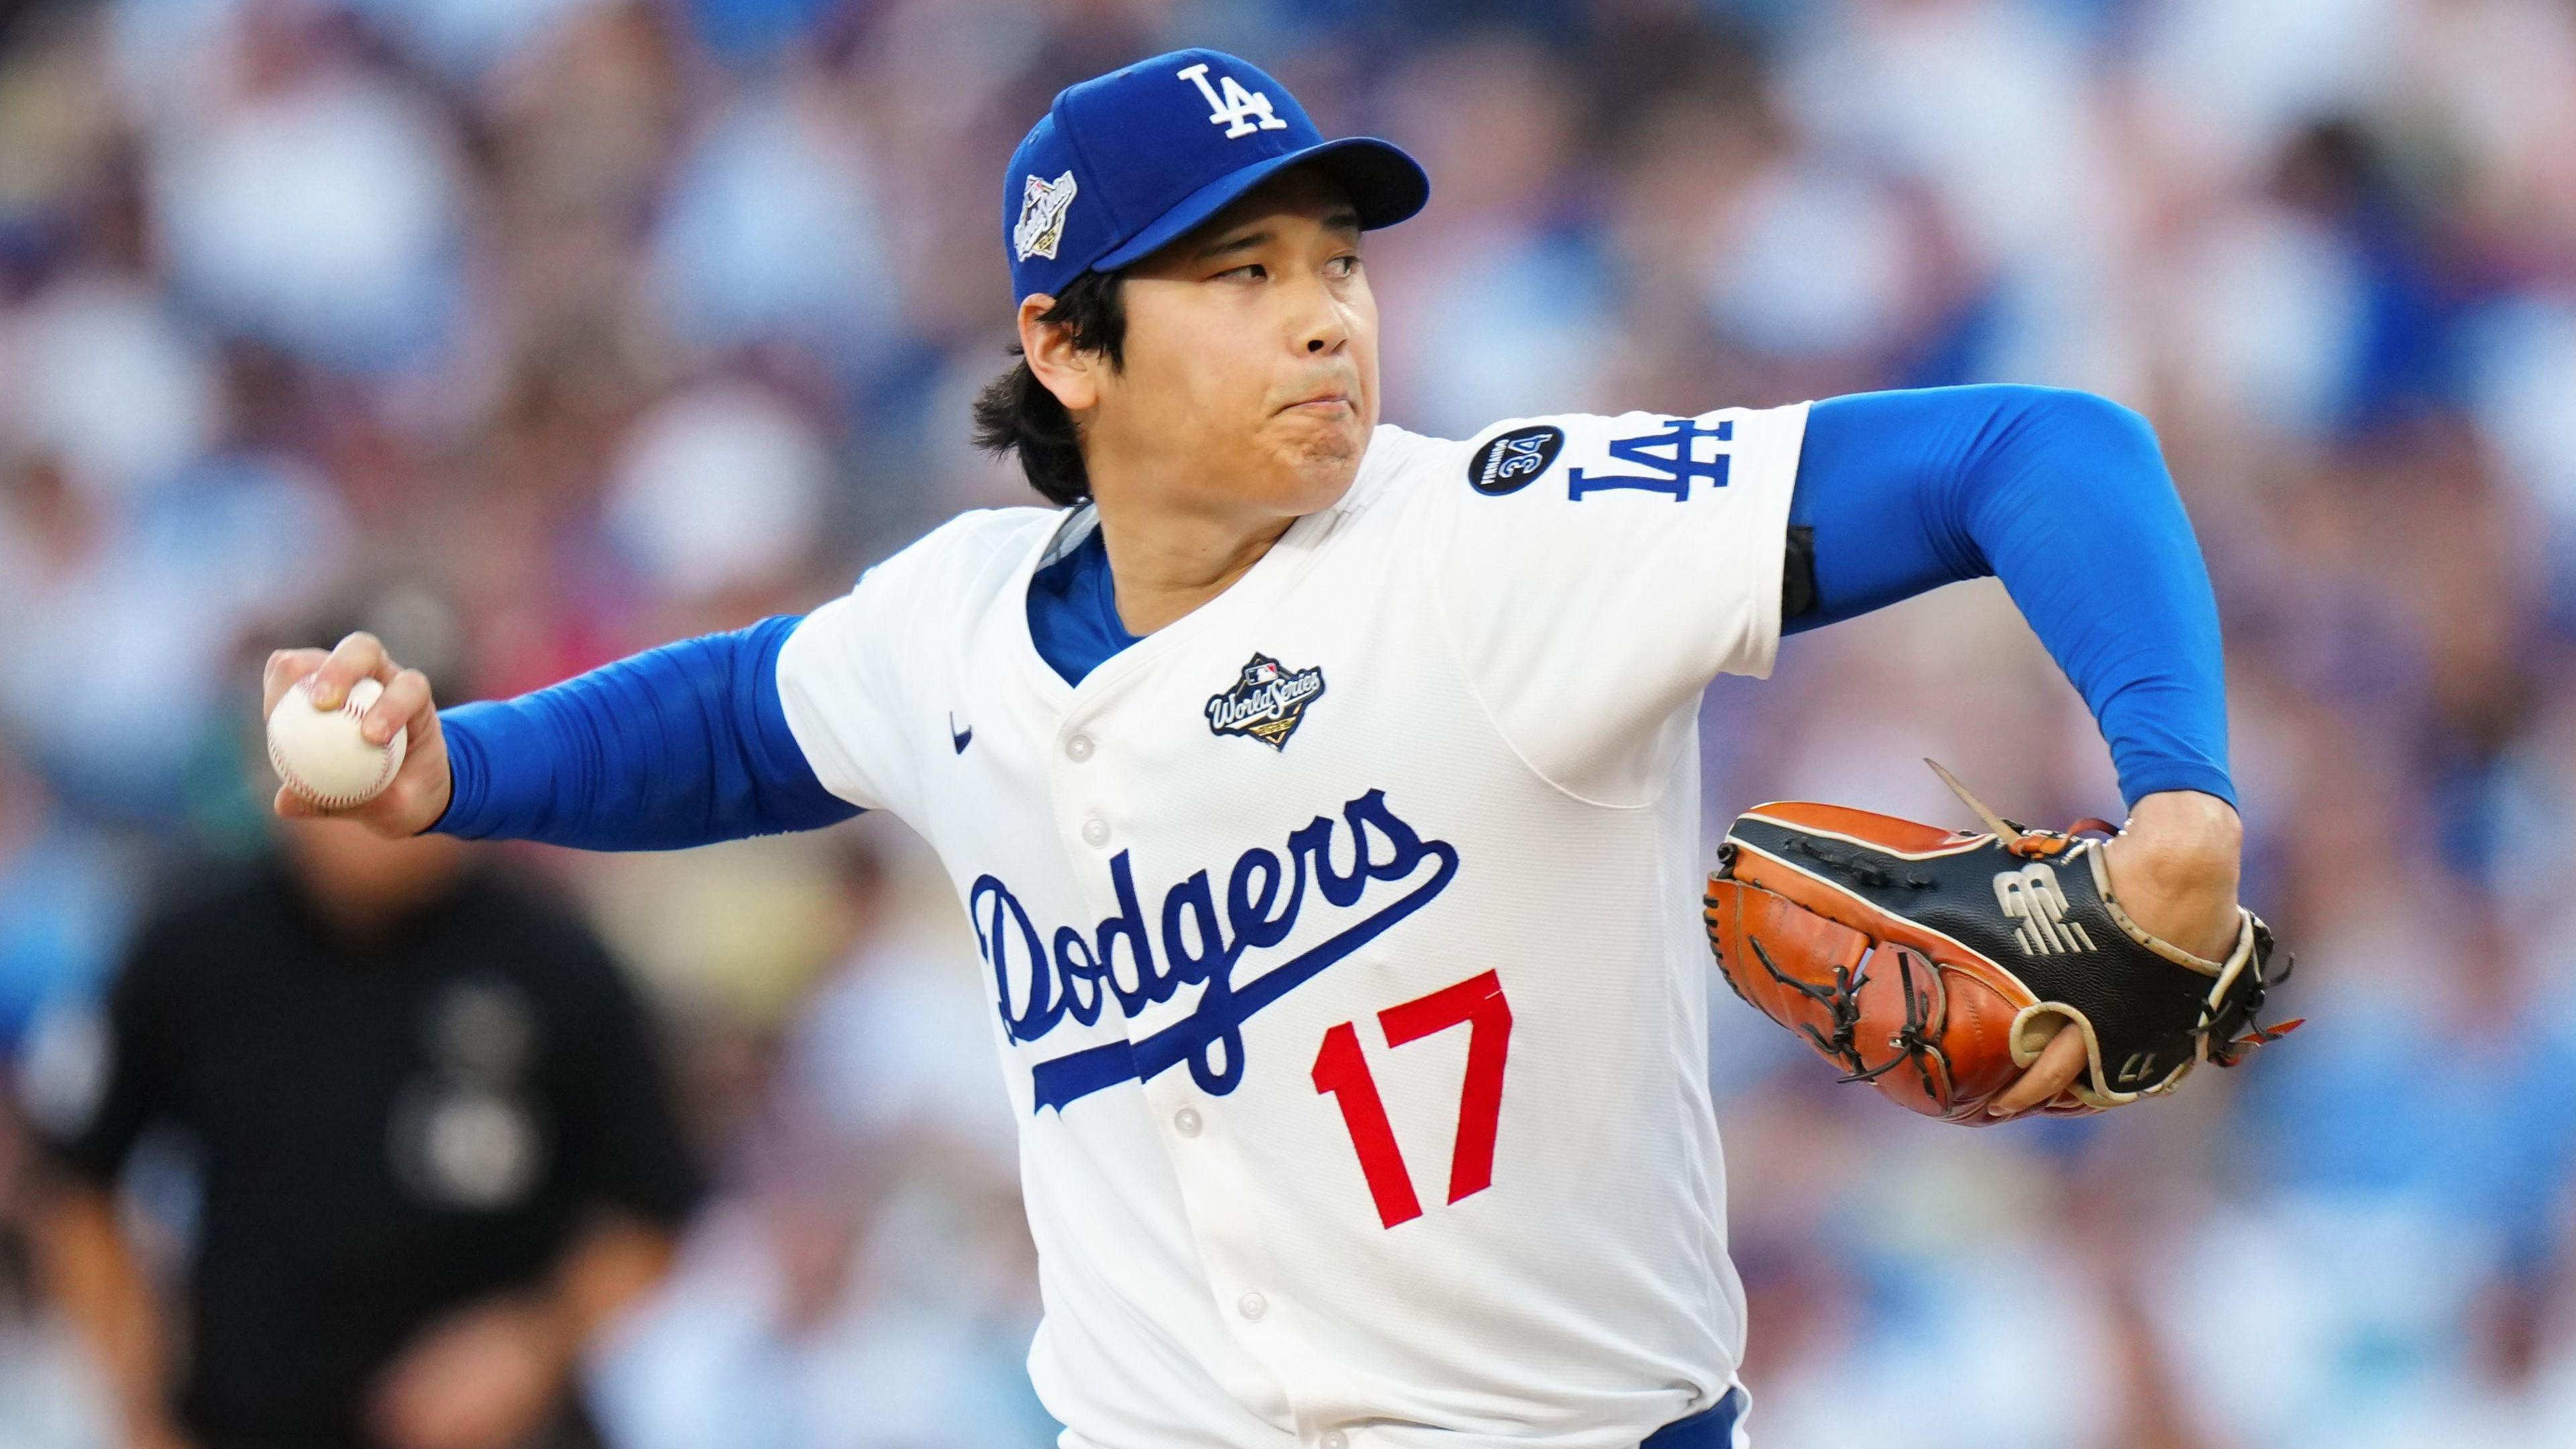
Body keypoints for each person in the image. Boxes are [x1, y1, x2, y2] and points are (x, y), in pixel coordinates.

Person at [264, 50, 2248, 1449]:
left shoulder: (1500, 541)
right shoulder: (950, 621)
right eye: (1239, 275)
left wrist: (2174, 800)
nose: (1322, 320)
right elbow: (733, 722)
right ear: (1065, 348)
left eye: (1334, 262)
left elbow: (2038, 449)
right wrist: (465, 766)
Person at [27, 619, 705, 1449]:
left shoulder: (555, 959)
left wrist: (534, 1340)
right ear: (278, 761)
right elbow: (75, 1181)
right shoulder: (190, 945)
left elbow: (656, 1205)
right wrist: (138, 1400)